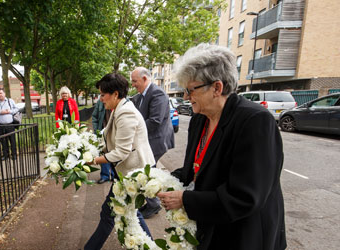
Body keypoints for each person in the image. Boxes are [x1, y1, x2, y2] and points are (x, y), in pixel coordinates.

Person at [157, 43, 286, 249]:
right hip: (214, 226)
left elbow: (245, 197)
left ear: (217, 88)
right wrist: (159, 180)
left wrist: (186, 200)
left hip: (244, 234)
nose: (185, 97)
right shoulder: (199, 119)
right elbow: (195, 169)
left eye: (191, 90)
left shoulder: (254, 121)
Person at [84, 73, 155, 250]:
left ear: (115, 94)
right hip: (126, 172)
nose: (100, 100)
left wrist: (91, 160)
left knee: (111, 213)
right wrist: (85, 147)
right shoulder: (119, 109)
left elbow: (121, 152)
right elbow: (106, 137)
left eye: (102, 95)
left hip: (134, 172)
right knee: (128, 213)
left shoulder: (126, 112)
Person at [130, 67, 174, 218]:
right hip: (149, 140)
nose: (133, 85)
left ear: (144, 78)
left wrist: (135, 132)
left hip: (157, 140)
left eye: (135, 81)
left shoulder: (157, 93)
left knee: (146, 171)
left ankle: (154, 204)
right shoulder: (142, 94)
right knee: (147, 171)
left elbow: (155, 120)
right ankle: (151, 202)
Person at [0, 88, 19, 160]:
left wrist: (9, 111)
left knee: (12, 140)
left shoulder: (10, 101)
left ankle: (14, 155)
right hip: (1, 125)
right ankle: (5, 155)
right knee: (3, 141)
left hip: (10, 124)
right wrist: (0, 112)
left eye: (1, 93)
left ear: (4, 93)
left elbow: (16, 109)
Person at [91, 100, 114, 184]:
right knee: (103, 152)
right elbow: (94, 116)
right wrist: (97, 130)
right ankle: (105, 176)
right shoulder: (100, 102)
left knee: (114, 153)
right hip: (102, 132)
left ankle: (114, 175)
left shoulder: (121, 100)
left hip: (115, 132)